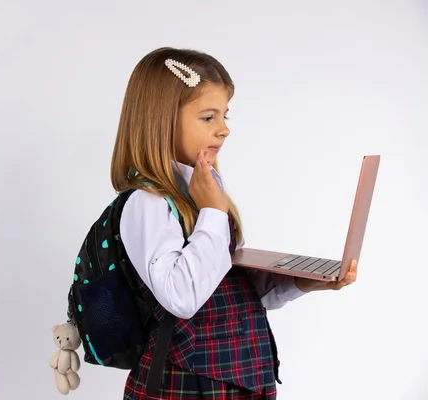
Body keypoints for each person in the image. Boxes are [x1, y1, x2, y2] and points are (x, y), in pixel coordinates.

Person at [109, 47, 358, 400]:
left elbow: (225, 294)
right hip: (184, 384)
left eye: (225, 116)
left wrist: (301, 282)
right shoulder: (147, 202)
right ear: (160, 119)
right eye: (208, 117)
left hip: (242, 376)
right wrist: (213, 211)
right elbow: (182, 297)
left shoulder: (201, 188)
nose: (224, 130)